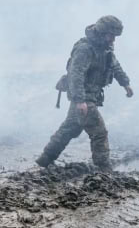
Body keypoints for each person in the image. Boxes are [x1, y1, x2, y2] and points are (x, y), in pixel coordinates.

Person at [36, 15, 133, 169]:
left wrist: (125, 83)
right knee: (99, 132)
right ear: (102, 32)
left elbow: (114, 65)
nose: (113, 39)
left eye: (115, 36)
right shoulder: (85, 49)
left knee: (70, 128)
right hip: (83, 96)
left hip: (90, 95)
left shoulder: (104, 47)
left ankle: (45, 158)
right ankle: (104, 169)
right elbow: (76, 75)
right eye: (111, 35)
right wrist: (80, 100)